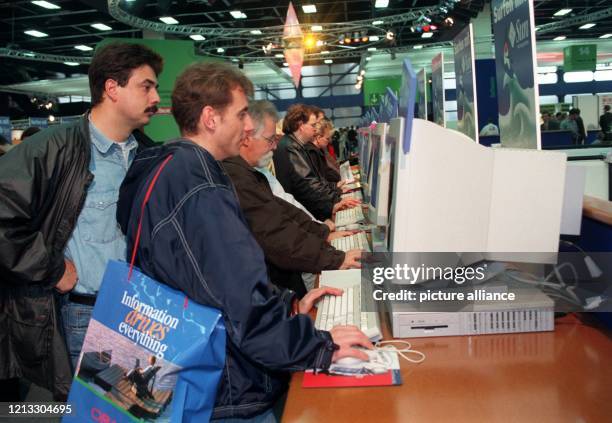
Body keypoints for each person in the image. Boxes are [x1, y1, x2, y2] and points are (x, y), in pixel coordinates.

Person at [116, 62, 371, 421]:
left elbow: (209, 279)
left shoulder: (166, 165)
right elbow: (240, 305)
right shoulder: (200, 187)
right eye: (240, 114)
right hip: (229, 388)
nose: (249, 125)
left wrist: (289, 306)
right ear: (210, 118)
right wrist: (320, 347)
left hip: (200, 369)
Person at [0, 42, 162, 400]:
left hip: (142, 317)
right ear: (111, 88)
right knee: (97, 411)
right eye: (146, 85)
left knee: (134, 408)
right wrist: (50, 268)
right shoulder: (52, 149)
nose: (155, 95)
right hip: (86, 316)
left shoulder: (147, 154)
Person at [223, 100, 361, 297]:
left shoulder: (248, 172)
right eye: (270, 140)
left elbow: (284, 209)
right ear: (246, 137)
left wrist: (322, 234)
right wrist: (335, 259)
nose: (273, 147)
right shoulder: (238, 177)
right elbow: (276, 232)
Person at [273, 104, 358, 221]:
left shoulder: (296, 145)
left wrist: (335, 193)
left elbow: (316, 181)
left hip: (307, 212)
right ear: (300, 125)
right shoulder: (291, 147)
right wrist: (336, 200)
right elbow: (308, 185)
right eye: (312, 125)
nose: (315, 128)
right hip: (303, 216)